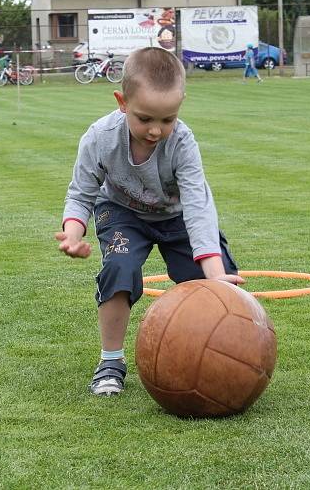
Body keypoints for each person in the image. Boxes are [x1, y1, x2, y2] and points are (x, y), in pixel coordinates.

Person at [55, 47, 243, 396]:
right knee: (120, 269)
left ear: (180, 105)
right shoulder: (99, 137)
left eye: (167, 120)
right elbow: (81, 193)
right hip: (122, 212)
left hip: (177, 217)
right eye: (145, 119)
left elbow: (199, 207)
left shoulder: (183, 144)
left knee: (216, 280)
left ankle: (215, 357)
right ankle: (110, 361)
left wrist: (215, 275)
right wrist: (72, 234)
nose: (156, 130)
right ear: (122, 102)